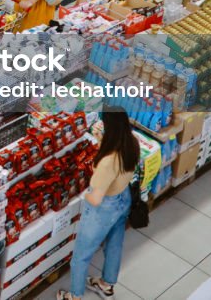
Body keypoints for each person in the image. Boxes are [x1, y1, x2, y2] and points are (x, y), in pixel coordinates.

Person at [58, 107, 140, 300]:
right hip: (123, 198)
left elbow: (96, 198)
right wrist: (102, 141)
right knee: (114, 244)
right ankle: (107, 284)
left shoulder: (107, 162)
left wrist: (80, 195)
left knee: (81, 255)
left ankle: (75, 296)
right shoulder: (132, 142)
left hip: (104, 209)